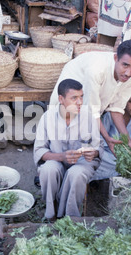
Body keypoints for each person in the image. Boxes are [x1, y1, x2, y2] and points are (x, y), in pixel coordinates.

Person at [49, 40, 131, 180]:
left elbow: (116, 109)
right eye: (125, 65)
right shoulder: (97, 69)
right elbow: (91, 111)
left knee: (81, 146)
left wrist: (128, 140)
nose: (129, 72)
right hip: (70, 97)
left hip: (89, 107)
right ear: (115, 58)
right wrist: (107, 138)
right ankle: (49, 173)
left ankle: (72, 177)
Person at [34, 79, 103, 221]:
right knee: (48, 170)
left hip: (82, 164)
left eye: (81, 97)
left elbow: (99, 147)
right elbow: (39, 151)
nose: (79, 102)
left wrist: (94, 152)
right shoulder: (47, 118)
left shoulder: (88, 117)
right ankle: (51, 215)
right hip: (56, 160)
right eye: (74, 98)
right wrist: (61, 157)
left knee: (75, 173)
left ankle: (70, 219)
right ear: (61, 99)